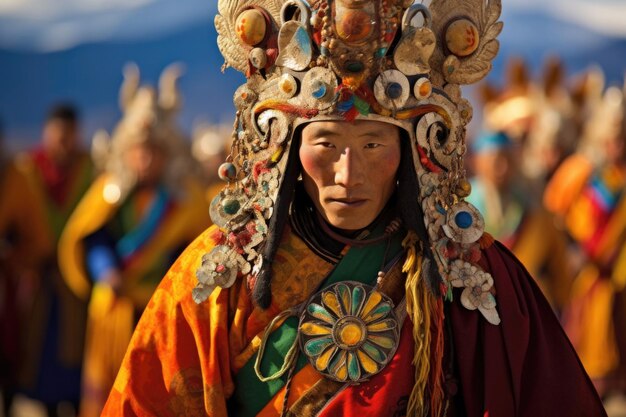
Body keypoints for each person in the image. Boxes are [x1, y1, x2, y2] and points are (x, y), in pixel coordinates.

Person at [103, 0, 606, 416]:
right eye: (325, 143)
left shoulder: (470, 276)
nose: (348, 175)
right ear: (285, 146)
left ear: (413, 152)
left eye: (372, 145)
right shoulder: (220, 275)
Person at [58, 63, 211, 417]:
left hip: (161, 307)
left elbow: (193, 250)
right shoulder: (109, 193)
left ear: (167, 154)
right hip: (114, 305)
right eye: (138, 151)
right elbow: (92, 238)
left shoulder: (183, 201)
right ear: (125, 152)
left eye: (153, 152)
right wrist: (105, 270)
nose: (144, 159)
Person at [0, 104, 94, 416]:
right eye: (58, 135)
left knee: (75, 357)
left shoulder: (89, 170)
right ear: (46, 133)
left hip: (75, 283)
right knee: (31, 354)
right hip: (34, 281)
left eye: (69, 136)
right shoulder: (25, 170)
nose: (63, 143)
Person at [545, 84, 626, 397]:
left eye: (621, 140)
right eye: (610, 140)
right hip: (584, 274)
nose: (615, 147)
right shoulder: (582, 172)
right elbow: (557, 213)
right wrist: (574, 248)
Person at [466, 131, 573, 312]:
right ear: (477, 162)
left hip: (526, 308)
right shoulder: (462, 210)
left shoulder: (533, 211)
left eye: (509, 160)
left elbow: (559, 271)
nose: (503, 168)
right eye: (495, 161)